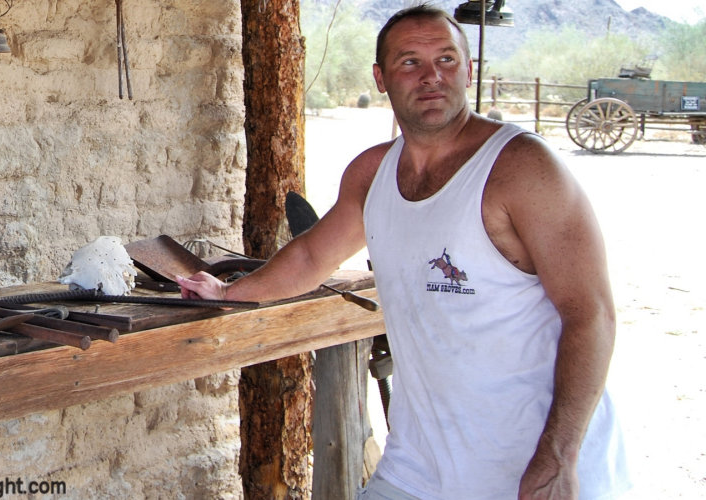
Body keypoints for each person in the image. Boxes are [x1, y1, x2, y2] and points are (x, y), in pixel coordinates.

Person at [178, 4, 630, 499]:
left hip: (531, 466)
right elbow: (311, 258)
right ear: (381, 77)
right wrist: (229, 291)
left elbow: (591, 315)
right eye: (410, 62)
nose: (432, 76)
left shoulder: (522, 169)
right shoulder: (373, 175)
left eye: (447, 60)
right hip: (419, 465)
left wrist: (559, 456)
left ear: (469, 69)